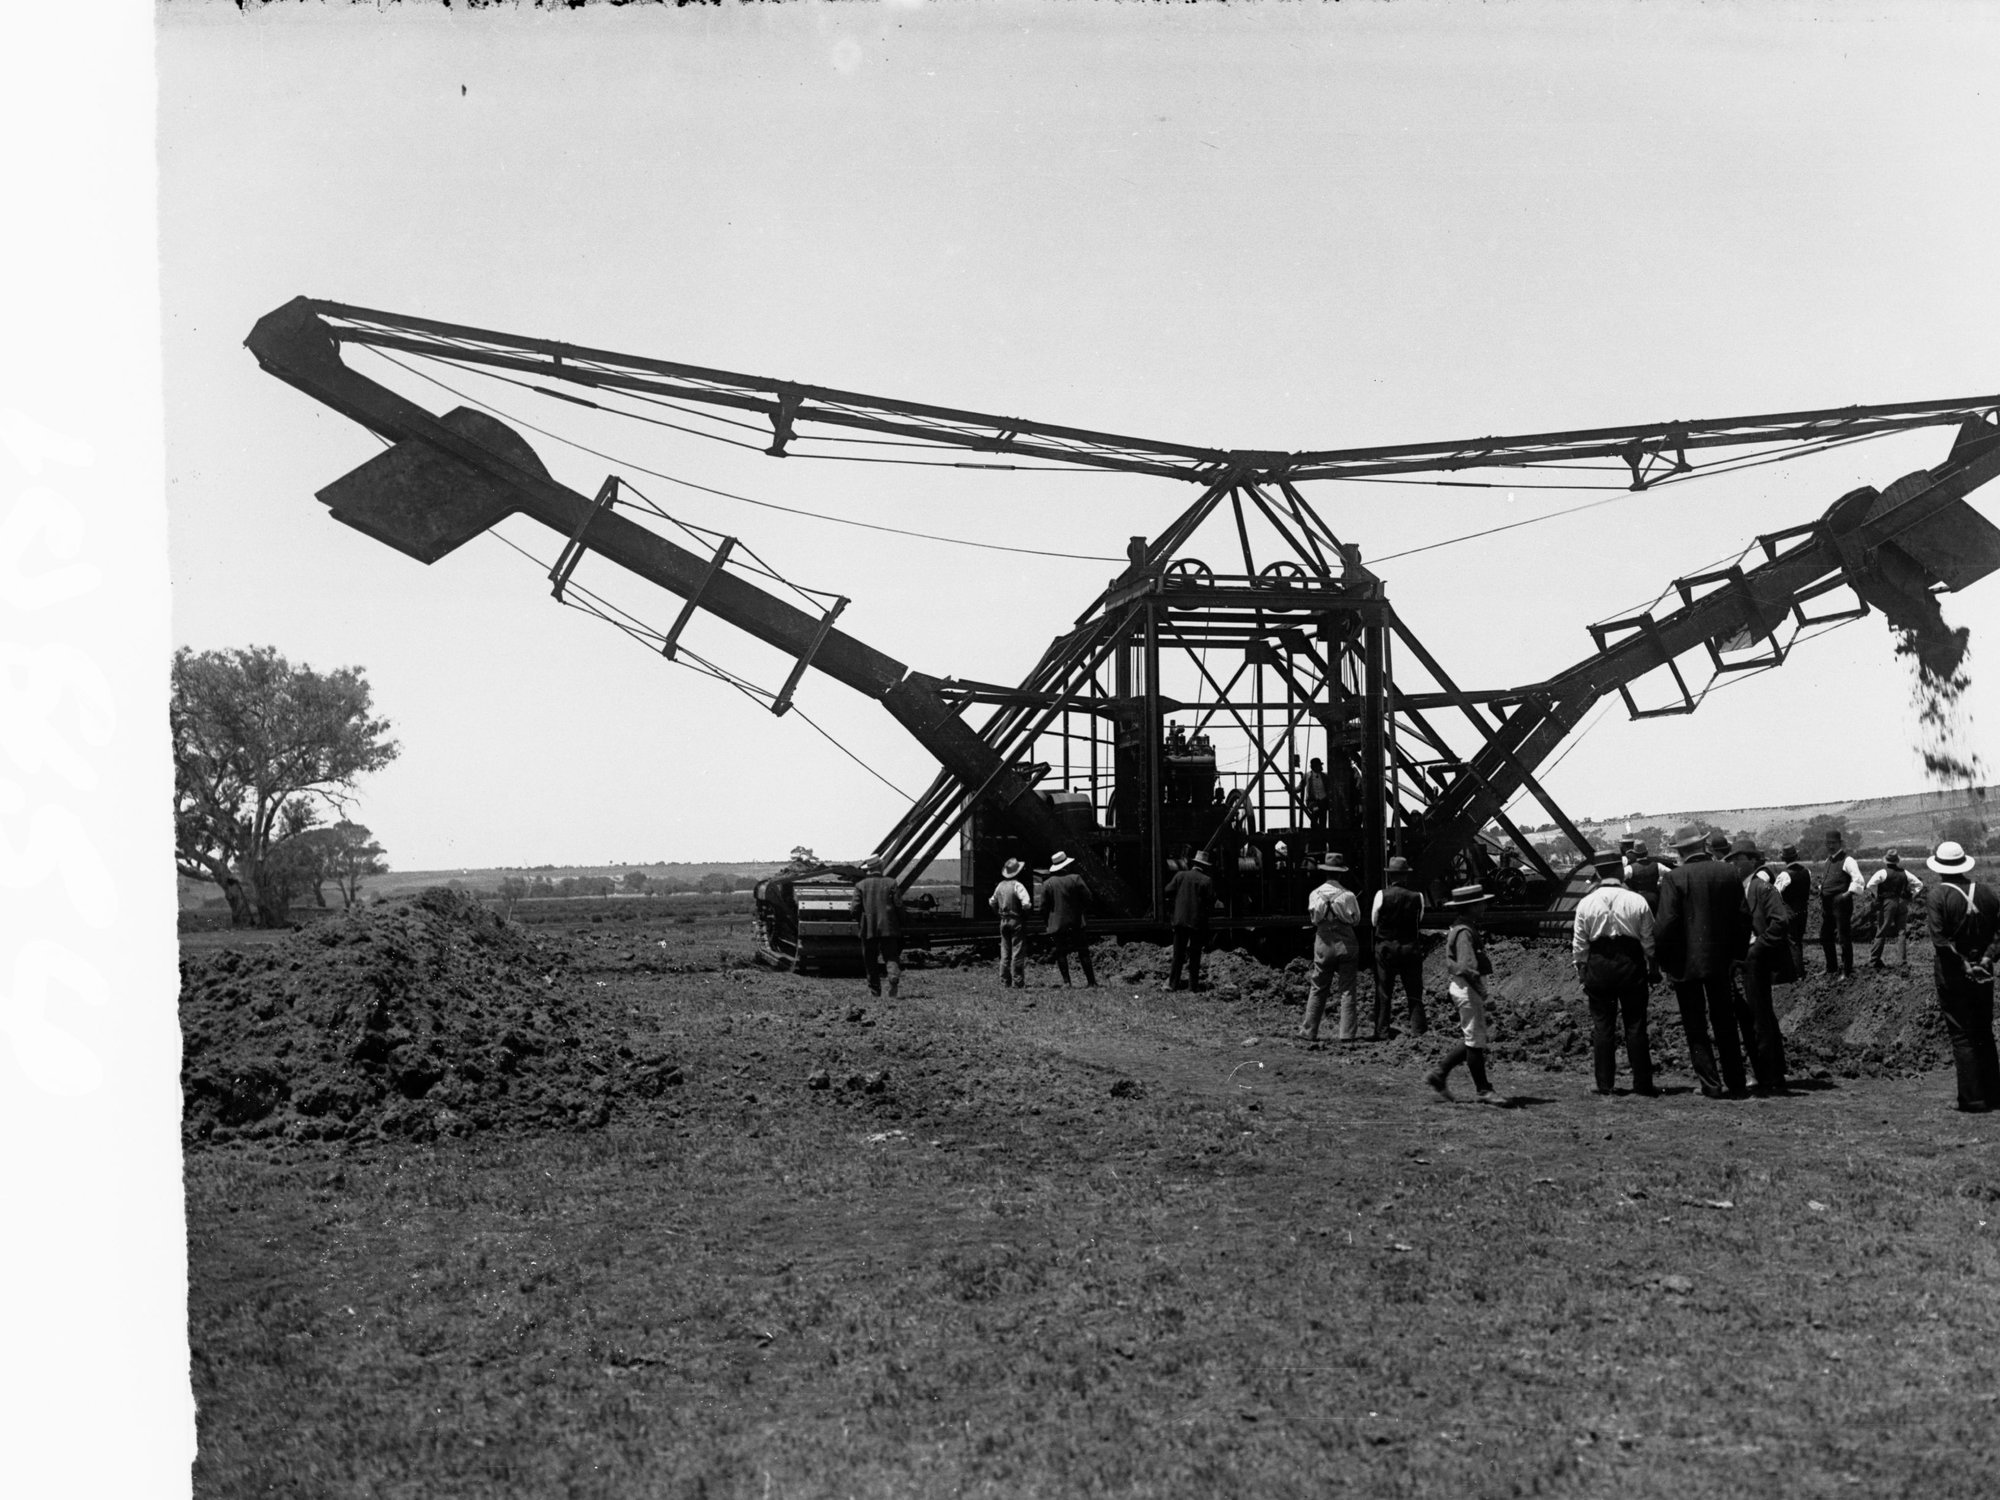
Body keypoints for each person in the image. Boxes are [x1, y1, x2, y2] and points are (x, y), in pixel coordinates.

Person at [1656, 831, 1754, 1098]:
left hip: (1686, 965)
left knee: (1695, 1025)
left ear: (1679, 852)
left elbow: (1665, 925)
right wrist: (1737, 956)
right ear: (1703, 845)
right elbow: (1744, 918)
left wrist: (1666, 963)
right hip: (1721, 963)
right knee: (1725, 1021)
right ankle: (1736, 1081)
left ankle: (1710, 1084)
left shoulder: (1673, 878)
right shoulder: (1728, 873)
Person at [1572, 855, 1658, 1097]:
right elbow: (1649, 941)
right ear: (1621, 873)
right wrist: (1653, 969)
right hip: (1630, 965)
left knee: (1602, 1026)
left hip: (1598, 967)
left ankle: (1604, 1084)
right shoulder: (1637, 900)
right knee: (1636, 1025)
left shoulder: (1585, 903)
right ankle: (1642, 1084)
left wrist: (1582, 972)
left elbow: (1579, 945)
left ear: (1598, 874)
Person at [1924, 840, 2000, 1112]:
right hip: (1985, 970)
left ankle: (1972, 1099)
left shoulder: (1938, 895)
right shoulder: (1987, 893)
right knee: (1983, 1031)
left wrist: (1964, 965)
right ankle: (1993, 1094)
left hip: (1954, 975)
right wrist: (1988, 958)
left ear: (1940, 867)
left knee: (1962, 1035)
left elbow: (1940, 940)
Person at [1423, 885, 1509, 1105]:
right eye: (1480, 903)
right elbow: (1466, 967)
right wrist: (1484, 994)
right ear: (1470, 907)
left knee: (1474, 1038)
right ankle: (1483, 1090)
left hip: (1464, 987)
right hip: (1468, 988)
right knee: (1475, 1040)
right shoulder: (1464, 932)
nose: (1484, 906)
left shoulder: (1462, 927)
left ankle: (1440, 1074)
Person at [1728, 838, 1790, 1094]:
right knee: (1750, 1017)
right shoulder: (1737, 889)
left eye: (1738, 859)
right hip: (1741, 961)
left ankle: (1770, 1074)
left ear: (1752, 861)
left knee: (1760, 1018)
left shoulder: (1762, 889)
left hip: (1756, 960)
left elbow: (1780, 923)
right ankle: (1764, 1071)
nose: (1733, 863)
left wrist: (1757, 946)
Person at [1299, 853, 1362, 1044]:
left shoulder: (1314, 894)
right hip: (1346, 942)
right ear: (1341, 874)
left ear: (1325, 873)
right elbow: (1356, 919)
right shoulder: (1349, 895)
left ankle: (1309, 1031)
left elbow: (1314, 920)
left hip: (1323, 942)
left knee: (1318, 986)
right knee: (1347, 988)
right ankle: (1347, 1034)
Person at [1370, 855, 1429, 1036]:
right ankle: (1418, 1030)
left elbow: (1374, 921)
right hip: (1410, 948)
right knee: (1414, 991)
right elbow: (1419, 920)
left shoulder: (1381, 895)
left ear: (1390, 876)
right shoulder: (1417, 897)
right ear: (1406, 876)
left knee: (1384, 990)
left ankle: (1382, 1031)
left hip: (1386, 947)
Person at [1036, 850, 1096, 988]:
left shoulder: (1048, 883)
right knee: (1083, 951)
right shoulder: (1075, 879)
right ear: (1066, 866)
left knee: (1061, 953)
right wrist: (1081, 911)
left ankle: (1067, 982)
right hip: (1076, 922)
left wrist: (1048, 921)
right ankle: (1091, 981)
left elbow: (1043, 907)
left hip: (1057, 924)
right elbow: (1088, 898)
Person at [849, 855, 903, 1000]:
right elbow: (898, 906)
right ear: (881, 867)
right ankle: (892, 976)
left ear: (869, 870)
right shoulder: (891, 883)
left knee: (870, 960)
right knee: (891, 956)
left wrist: (860, 922)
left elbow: (855, 909)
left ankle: (875, 992)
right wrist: (901, 923)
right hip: (888, 927)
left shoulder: (860, 885)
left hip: (868, 928)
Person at [1163, 850, 1217, 991]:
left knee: (1178, 955)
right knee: (1195, 954)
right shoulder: (1207, 880)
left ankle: (1172, 984)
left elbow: (1168, 890)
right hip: (1196, 923)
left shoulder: (1180, 875)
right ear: (1204, 867)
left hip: (1180, 920)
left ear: (1193, 864)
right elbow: (1211, 901)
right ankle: (1193, 986)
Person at [1865, 849, 1923, 970]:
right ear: (1897, 861)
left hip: (1887, 903)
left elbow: (1870, 885)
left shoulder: (1882, 872)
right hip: (1901, 902)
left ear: (1886, 861)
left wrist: (1876, 895)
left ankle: (1874, 960)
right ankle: (1902, 961)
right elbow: (1919, 884)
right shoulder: (1905, 872)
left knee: (1881, 930)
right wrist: (1912, 895)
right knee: (1901, 932)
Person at [1820, 831, 1863, 979]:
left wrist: (1846, 895)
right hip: (1827, 905)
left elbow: (1858, 879)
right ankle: (1831, 968)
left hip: (1841, 904)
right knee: (1825, 936)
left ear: (1840, 843)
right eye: (1828, 843)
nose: (1830, 846)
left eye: (1833, 843)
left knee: (1843, 937)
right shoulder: (1828, 861)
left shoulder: (1848, 860)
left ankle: (1847, 970)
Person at [988, 856, 1032, 988]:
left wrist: (998, 913)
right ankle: (1018, 981)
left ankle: (1005, 981)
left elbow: (992, 901)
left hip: (1003, 921)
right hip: (1016, 920)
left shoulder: (1000, 886)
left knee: (1005, 952)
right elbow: (1026, 904)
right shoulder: (1018, 885)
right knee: (1017, 952)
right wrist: (1024, 914)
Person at [1772, 843, 1812, 981]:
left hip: (1790, 912)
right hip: (1803, 911)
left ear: (1784, 859)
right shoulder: (1807, 871)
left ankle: (1798, 973)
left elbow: (1774, 893)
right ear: (1796, 856)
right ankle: (1800, 971)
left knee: (1792, 943)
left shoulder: (1784, 875)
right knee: (1798, 941)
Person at [1624, 840, 1663, 914]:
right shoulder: (1657, 865)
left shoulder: (1629, 868)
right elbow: (1671, 874)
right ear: (1647, 852)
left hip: (1637, 898)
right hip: (1654, 898)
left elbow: (1619, 879)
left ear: (1634, 854)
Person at [1300, 757, 1332, 829]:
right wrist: (1292, 789)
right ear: (1314, 767)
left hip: (1323, 800)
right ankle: (1314, 832)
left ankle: (1322, 834)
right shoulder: (1307, 776)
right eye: (1319, 765)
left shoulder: (1325, 776)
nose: (1321, 767)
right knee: (1315, 811)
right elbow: (1300, 786)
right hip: (1312, 801)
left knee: (1323, 817)